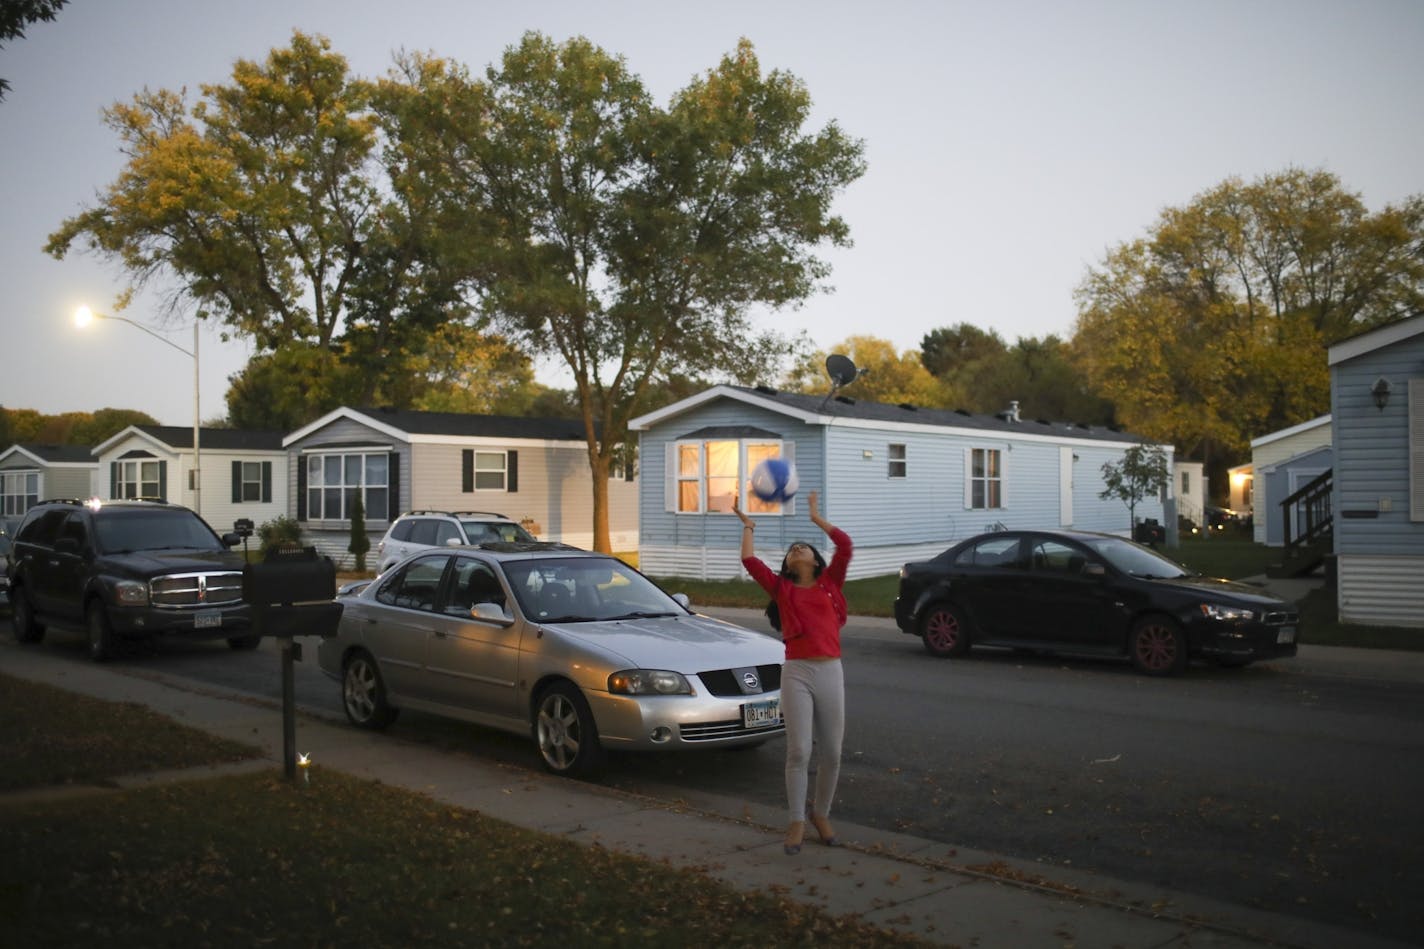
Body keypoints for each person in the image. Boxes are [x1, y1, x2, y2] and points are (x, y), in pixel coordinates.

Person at [733, 489, 852, 855]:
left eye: (804, 547)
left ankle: (822, 814)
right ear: (788, 565)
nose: (797, 549)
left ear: (816, 561)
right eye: (792, 550)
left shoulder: (831, 583)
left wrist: (817, 518)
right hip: (797, 672)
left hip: (830, 670)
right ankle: (797, 821)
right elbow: (750, 560)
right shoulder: (782, 588)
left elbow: (845, 545)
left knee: (832, 752)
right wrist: (748, 526)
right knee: (798, 751)